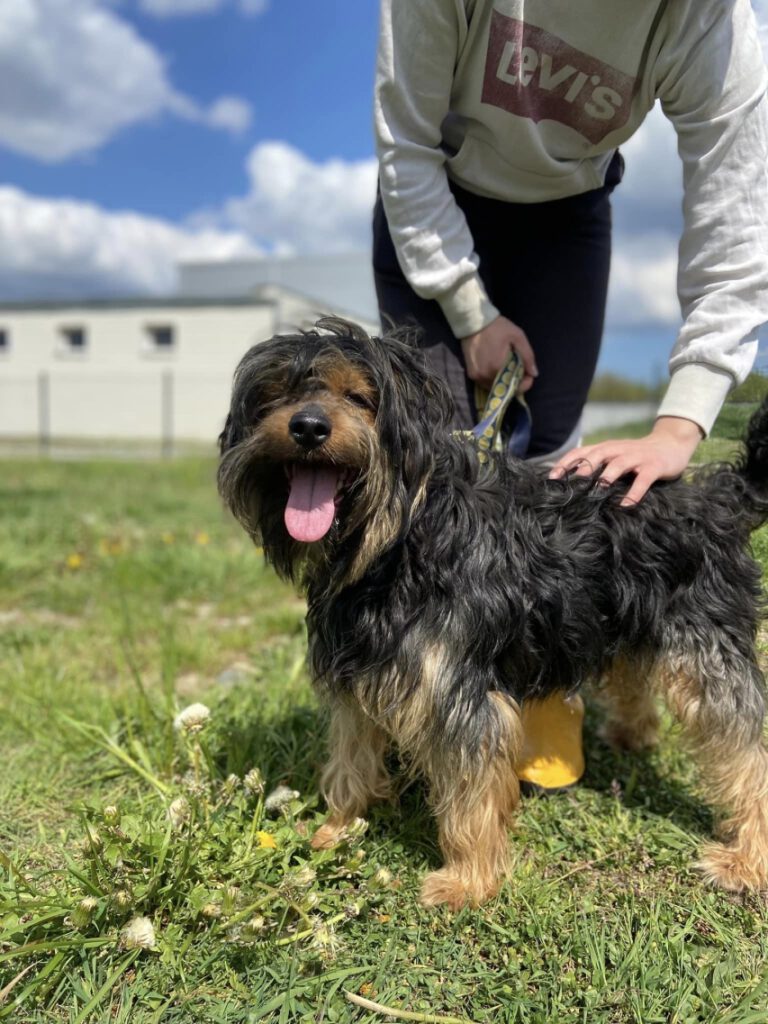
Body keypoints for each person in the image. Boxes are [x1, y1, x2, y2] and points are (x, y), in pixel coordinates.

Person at [372, 0, 768, 506]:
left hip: (565, 226)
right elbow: (406, 144)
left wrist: (677, 429)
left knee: (549, 484)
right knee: (437, 477)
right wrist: (471, 314)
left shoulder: (711, 16)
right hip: (432, 206)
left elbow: (735, 237)